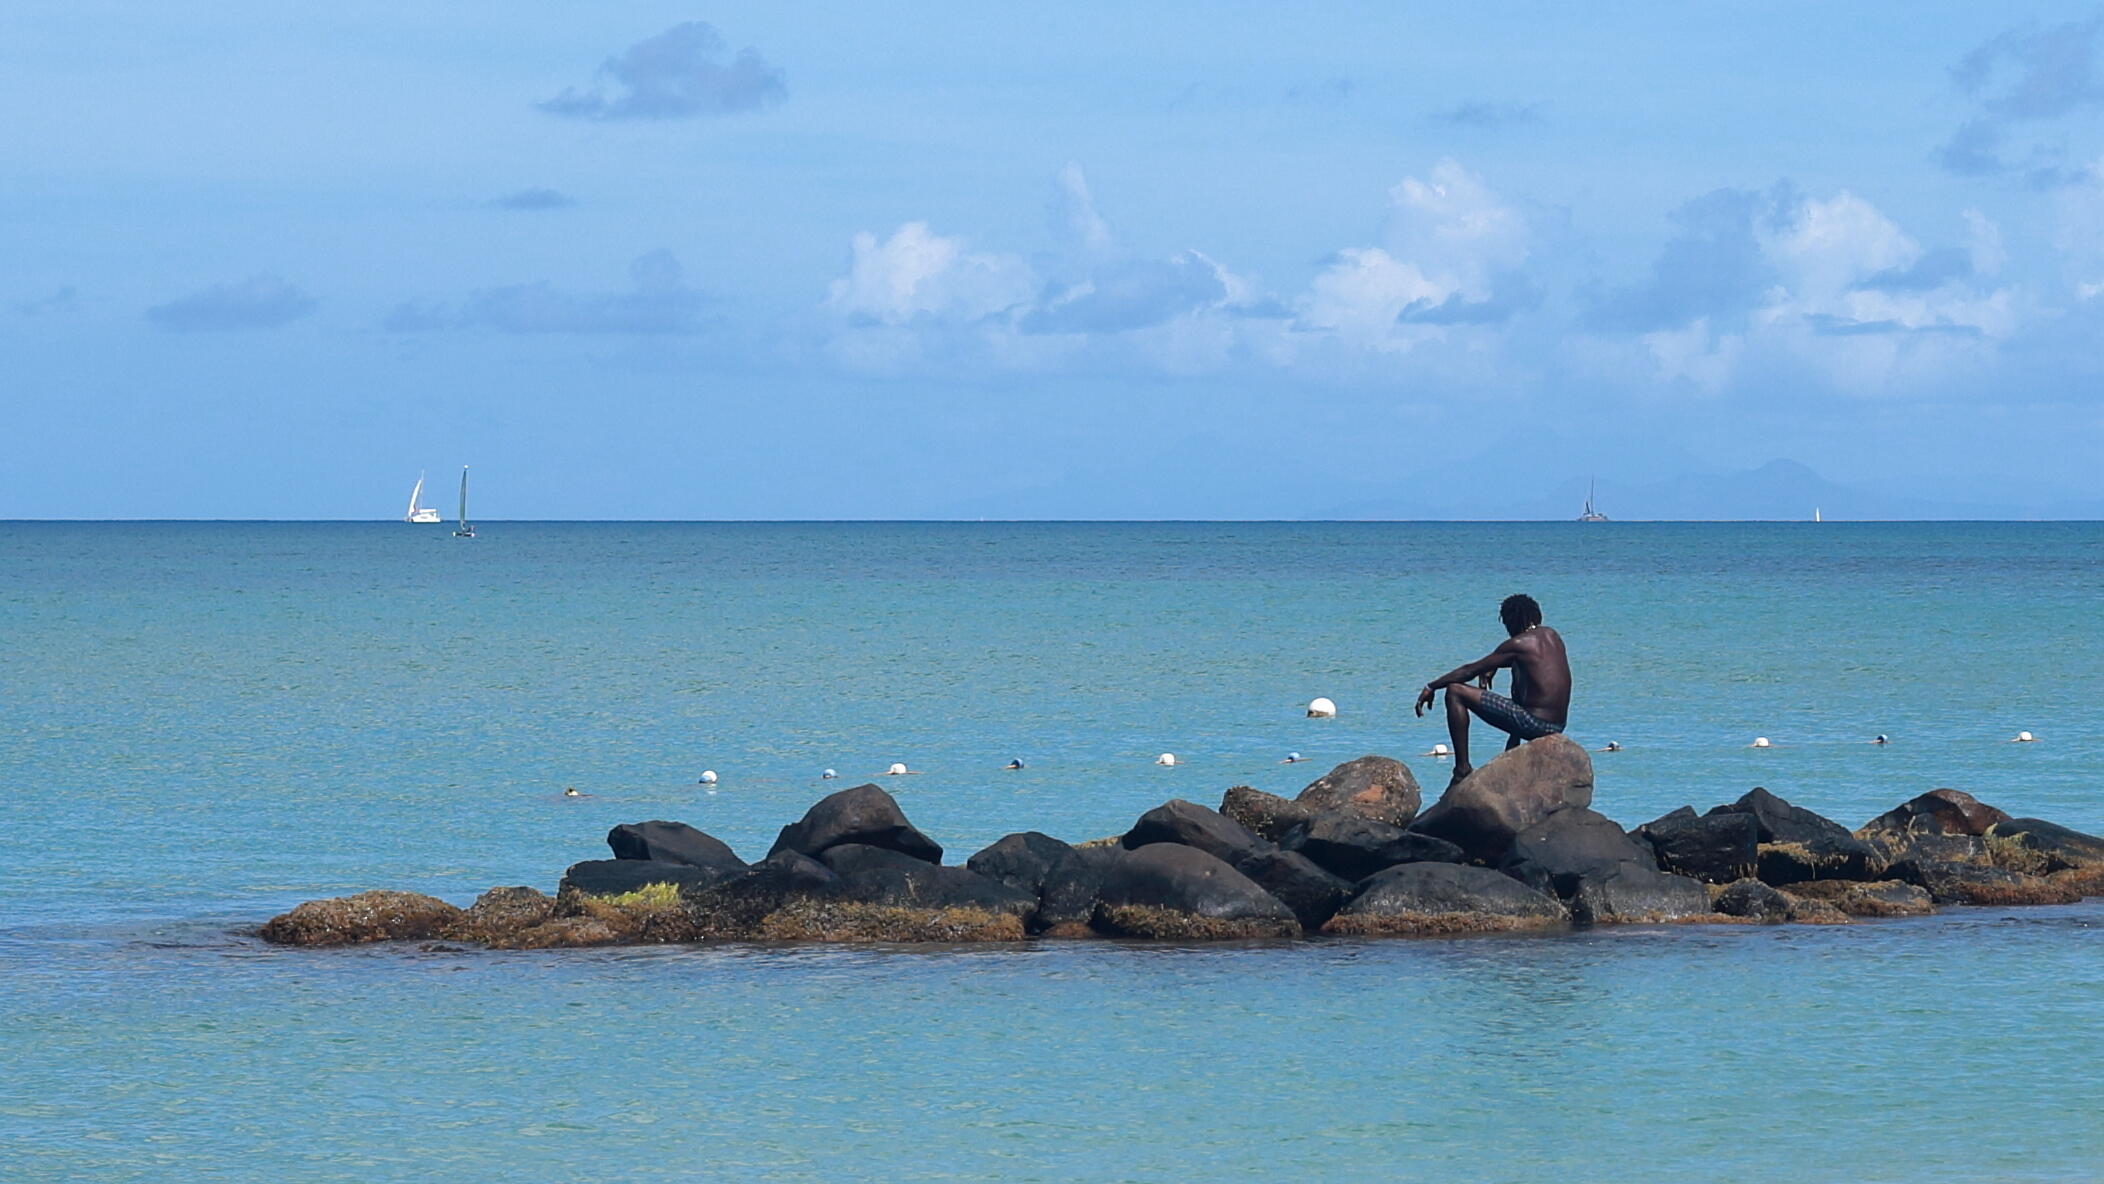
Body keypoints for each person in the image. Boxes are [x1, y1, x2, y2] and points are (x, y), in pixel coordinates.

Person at [1413, 594, 1572, 786]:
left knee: (1455, 691)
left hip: (1535, 724)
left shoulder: (1518, 644)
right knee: (1521, 673)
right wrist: (1496, 665)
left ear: (1511, 620)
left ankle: (1462, 769)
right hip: (1557, 725)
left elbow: (1469, 671)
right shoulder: (1552, 636)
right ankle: (1512, 751)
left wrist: (1432, 686)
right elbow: (1536, 665)